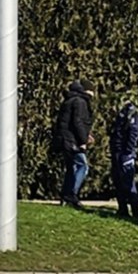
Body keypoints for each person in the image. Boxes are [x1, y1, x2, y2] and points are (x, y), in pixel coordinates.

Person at [54, 79, 96, 208]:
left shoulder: (69, 100)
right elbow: (78, 122)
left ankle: (65, 196)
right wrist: (83, 140)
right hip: (72, 140)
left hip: (65, 138)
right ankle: (71, 195)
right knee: (82, 166)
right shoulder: (80, 102)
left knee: (71, 168)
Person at [108, 100, 138, 217]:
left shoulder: (133, 113)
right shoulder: (122, 112)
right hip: (117, 150)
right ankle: (122, 208)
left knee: (128, 182)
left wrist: (129, 151)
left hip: (125, 152)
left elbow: (133, 132)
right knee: (118, 180)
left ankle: (135, 210)